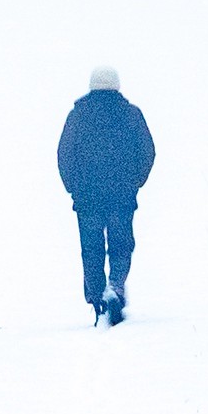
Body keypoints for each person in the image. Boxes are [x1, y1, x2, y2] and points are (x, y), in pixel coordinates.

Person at [57, 66, 156, 325]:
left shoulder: (78, 116)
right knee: (121, 245)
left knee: (91, 250)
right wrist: (135, 181)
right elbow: (148, 152)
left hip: (87, 197)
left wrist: (73, 186)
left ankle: (98, 298)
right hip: (122, 195)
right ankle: (116, 286)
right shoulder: (131, 115)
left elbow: (64, 154)